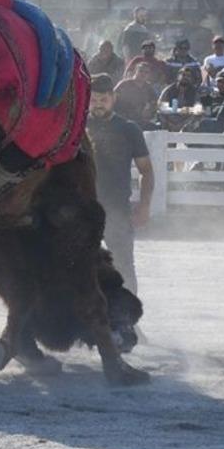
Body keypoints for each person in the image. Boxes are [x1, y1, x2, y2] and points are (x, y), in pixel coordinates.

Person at [84, 74, 153, 293]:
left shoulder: (129, 129)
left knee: (123, 266)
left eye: (103, 99)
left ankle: (128, 321)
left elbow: (146, 171)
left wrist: (144, 206)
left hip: (117, 208)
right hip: (82, 208)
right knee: (78, 266)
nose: (98, 105)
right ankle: (83, 320)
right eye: (93, 100)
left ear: (113, 98)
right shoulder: (76, 128)